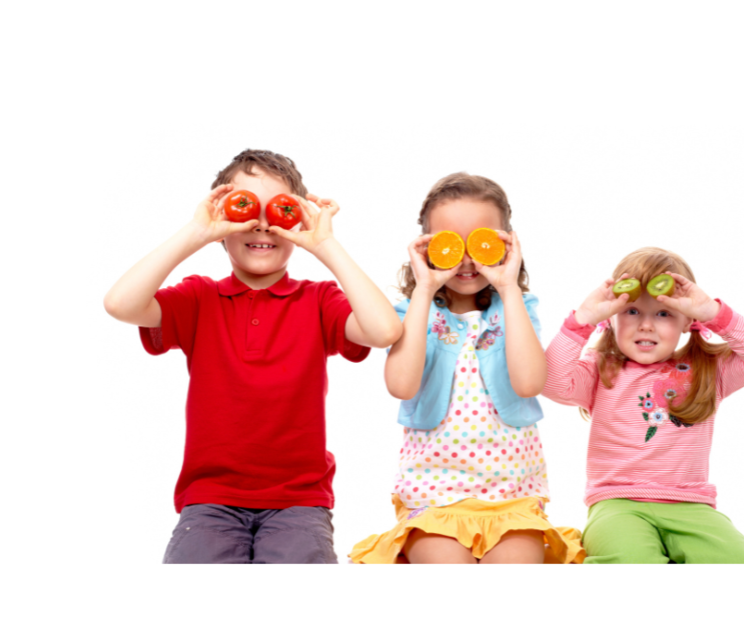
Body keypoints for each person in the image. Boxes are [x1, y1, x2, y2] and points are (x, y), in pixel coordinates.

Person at [103, 149, 402, 563]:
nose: (262, 223)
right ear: (221, 225)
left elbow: (384, 330)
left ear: (297, 219)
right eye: (244, 209)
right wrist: (195, 231)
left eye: (277, 210)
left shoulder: (318, 300)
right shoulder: (199, 297)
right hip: (210, 498)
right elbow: (120, 303)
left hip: (299, 500)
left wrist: (325, 243)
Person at [350, 173, 584, 564]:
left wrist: (508, 287)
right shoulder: (413, 312)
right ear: (427, 248)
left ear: (507, 244)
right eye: (450, 244)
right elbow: (401, 386)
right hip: (432, 495)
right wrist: (423, 288)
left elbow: (529, 382)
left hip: (512, 495)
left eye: (482, 242)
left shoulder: (517, 308)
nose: (467, 258)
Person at [542, 246, 744, 563]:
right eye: (632, 311)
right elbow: (551, 382)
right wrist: (581, 321)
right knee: (629, 561)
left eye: (664, 313)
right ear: (610, 318)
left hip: (691, 504)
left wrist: (713, 313)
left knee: (736, 562)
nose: (647, 325)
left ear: (687, 322)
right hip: (617, 504)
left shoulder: (707, 368)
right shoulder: (602, 368)